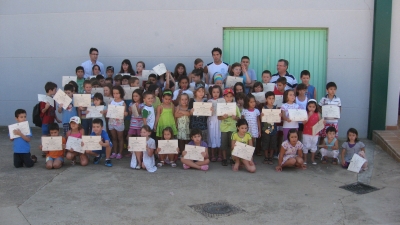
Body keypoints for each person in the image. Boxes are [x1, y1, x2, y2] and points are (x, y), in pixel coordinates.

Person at [218, 88, 241, 166]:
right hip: (224, 128)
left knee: (233, 145)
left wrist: (236, 118)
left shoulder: (235, 107)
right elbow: (218, 117)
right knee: (224, 145)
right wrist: (223, 117)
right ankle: (224, 158)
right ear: (224, 97)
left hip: (233, 128)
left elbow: (239, 118)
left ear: (233, 97)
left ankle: (232, 158)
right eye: (227, 96)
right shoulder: (221, 106)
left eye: (230, 96)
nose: (229, 98)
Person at [108, 86, 128, 159]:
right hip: (111, 122)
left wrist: (125, 113)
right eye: (114, 93)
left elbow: (125, 114)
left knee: (120, 138)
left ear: (121, 94)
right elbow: (109, 112)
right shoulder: (111, 102)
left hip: (119, 123)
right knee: (114, 138)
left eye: (117, 93)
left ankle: (120, 152)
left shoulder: (123, 103)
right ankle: (114, 152)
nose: (115, 95)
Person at [261, 92, 279, 165]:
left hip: (273, 129)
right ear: (266, 99)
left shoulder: (276, 108)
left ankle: (270, 157)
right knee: (265, 143)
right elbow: (261, 119)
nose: (271, 100)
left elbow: (278, 119)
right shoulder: (264, 108)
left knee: (273, 144)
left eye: (273, 98)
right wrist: (261, 115)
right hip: (266, 129)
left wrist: (279, 115)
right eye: (269, 98)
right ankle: (266, 157)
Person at [302, 99, 322, 165]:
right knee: (305, 146)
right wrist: (309, 116)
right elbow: (303, 123)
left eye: (313, 107)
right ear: (307, 106)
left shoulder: (318, 114)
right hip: (306, 133)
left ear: (316, 107)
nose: (311, 108)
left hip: (315, 133)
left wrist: (322, 123)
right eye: (310, 106)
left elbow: (320, 123)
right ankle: (305, 159)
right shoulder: (305, 113)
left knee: (313, 146)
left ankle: (312, 159)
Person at [207, 85, 223, 162]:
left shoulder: (223, 100)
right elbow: (206, 113)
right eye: (214, 92)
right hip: (212, 120)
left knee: (219, 136)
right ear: (211, 93)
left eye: (217, 92)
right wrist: (209, 110)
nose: (215, 94)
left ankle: (219, 154)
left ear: (220, 92)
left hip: (220, 120)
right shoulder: (209, 101)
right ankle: (212, 155)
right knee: (212, 135)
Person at [175, 93, 191, 158]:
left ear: (188, 100)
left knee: (187, 141)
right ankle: (182, 153)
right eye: (182, 99)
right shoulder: (178, 107)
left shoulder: (189, 107)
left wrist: (181, 112)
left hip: (187, 127)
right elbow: (176, 115)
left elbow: (189, 114)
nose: (184, 101)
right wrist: (185, 113)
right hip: (180, 127)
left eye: (186, 99)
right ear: (180, 100)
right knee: (180, 140)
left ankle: (187, 153)